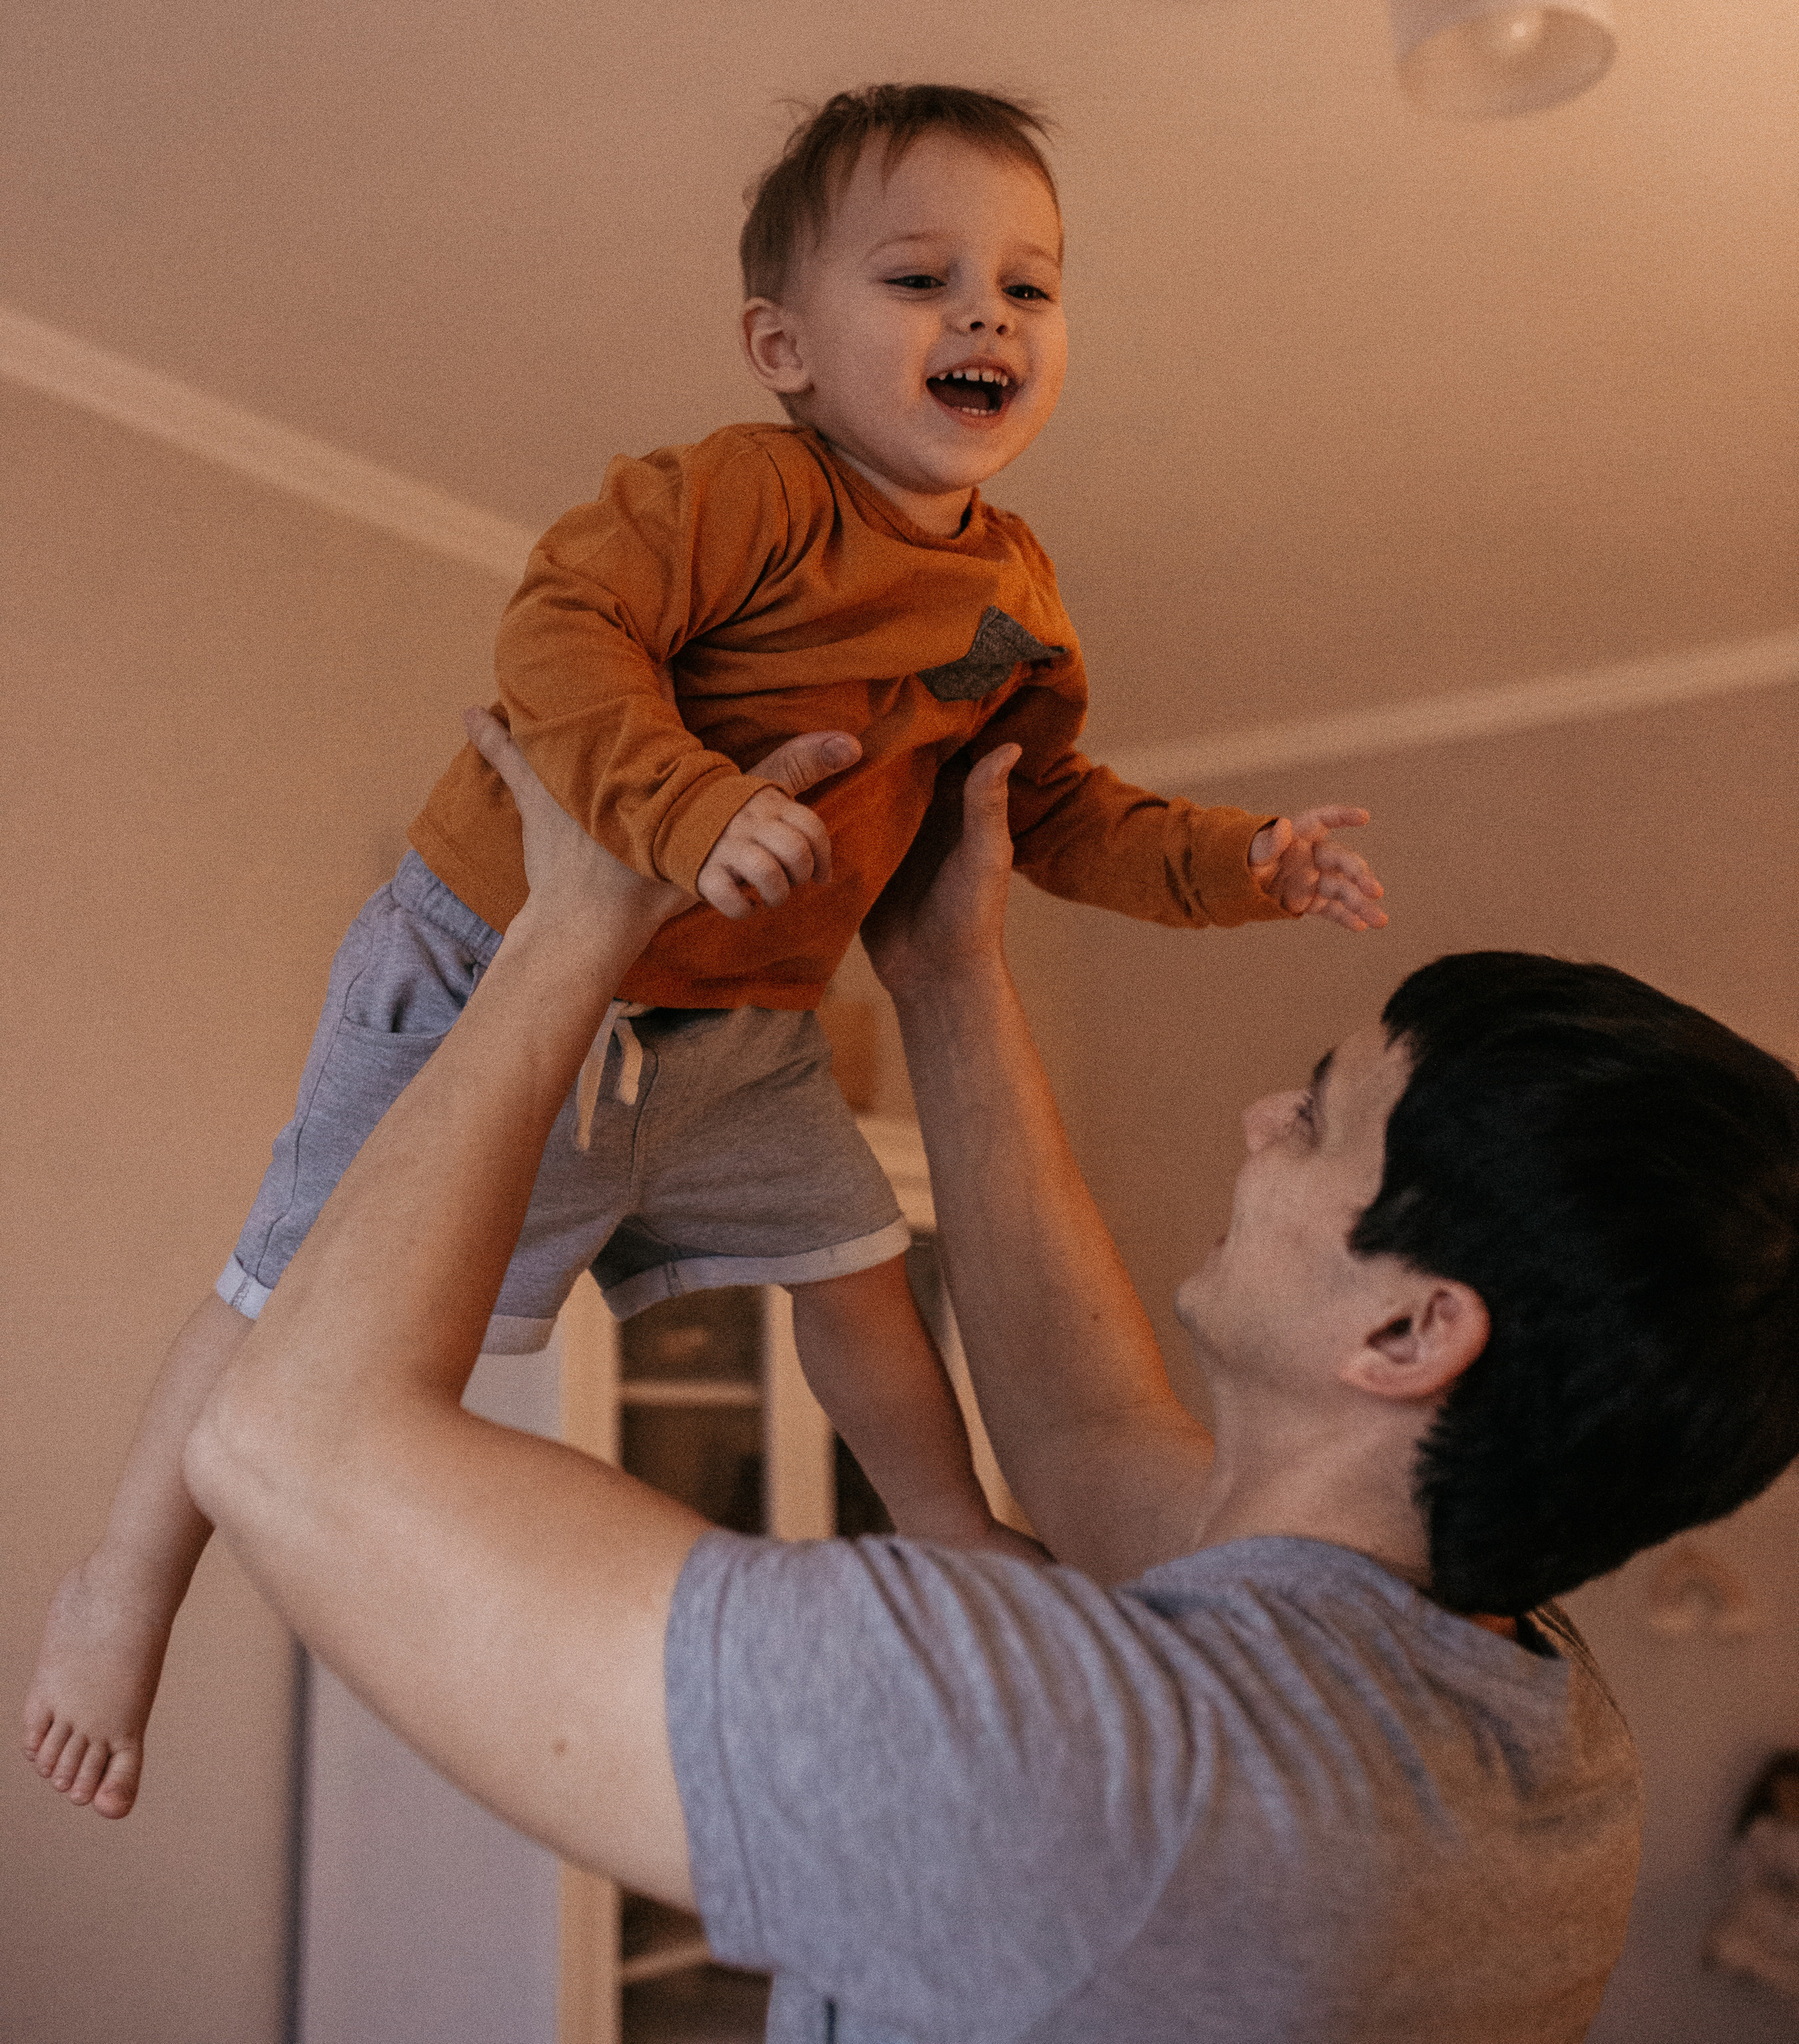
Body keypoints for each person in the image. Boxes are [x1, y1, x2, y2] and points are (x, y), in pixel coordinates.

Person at [25, 82, 1389, 1818]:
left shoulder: (1018, 596)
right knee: (296, 1299)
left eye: (1026, 287)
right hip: (489, 953)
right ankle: (123, 1586)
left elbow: (1043, 809)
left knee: (858, 1268)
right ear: (782, 347)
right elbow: (559, 630)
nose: (983, 316)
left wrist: (1233, 862)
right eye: (919, 280)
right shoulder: (746, 494)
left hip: (740, 1020)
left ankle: (946, 1522)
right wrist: (681, 806)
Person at [171, 711, 1799, 2043]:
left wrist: (567, 936)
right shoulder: (1529, 1730)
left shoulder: (1091, 1772)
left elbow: (289, 1447)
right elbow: (1089, 1434)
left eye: (1316, 1119)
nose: (1259, 1123)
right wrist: (948, 974)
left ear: (1407, 1335)